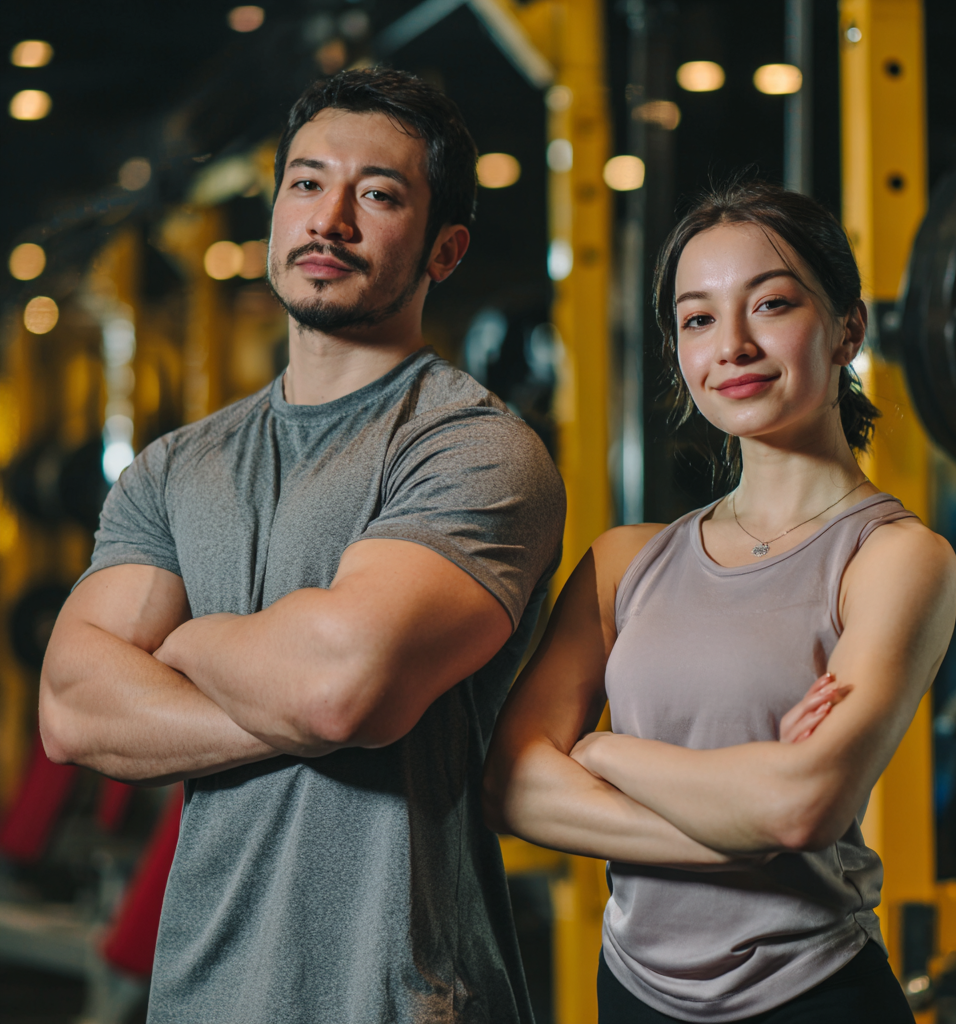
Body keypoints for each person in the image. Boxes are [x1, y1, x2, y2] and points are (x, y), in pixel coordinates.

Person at [40, 69, 565, 1024]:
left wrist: (187, 642)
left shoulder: (473, 447)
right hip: (203, 994)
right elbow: (73, 707)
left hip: (402, 999)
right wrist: (311, 700)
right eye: (306, 183)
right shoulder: (176, 468)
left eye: (378, 194)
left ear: (446, 250)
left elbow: (338, 686)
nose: (330, 221)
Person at [483, 181, 956, 1023]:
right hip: (631, 993)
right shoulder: (624, 562)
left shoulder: (893, 559)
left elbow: (802, 804)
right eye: (698, 319)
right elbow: (512, 784)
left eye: (770, 305)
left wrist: (602, 754)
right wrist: (747, 822)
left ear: (848, 327)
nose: (732, 345)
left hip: (814, 995)